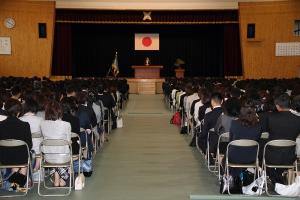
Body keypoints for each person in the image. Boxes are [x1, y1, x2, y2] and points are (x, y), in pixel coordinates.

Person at [266, 93, 300, 184]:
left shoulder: (270, 118)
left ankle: (274, 176)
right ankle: (278, 176)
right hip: (289, 156)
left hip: (271, 156)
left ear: (277, 106)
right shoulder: (298, 119)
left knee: (259, 147)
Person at [225, 99, 262, 177]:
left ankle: (233, 177)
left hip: (234, 157)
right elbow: (257, 140)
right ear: (254, 110)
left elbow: (231, 142)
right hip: (251, 157)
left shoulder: (234, 123)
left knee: (224, 159)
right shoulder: (259, 126)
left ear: (241, 110)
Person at [40, 100, 71, 187]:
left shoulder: (42, 124)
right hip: (63, 157)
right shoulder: (66, 124)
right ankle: (62, 178)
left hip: (48, 157)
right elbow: (68, 142)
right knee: (62, 153)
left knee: (54, 153)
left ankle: (56, 179)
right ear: (60, 111)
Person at [0, 98, 32, 177]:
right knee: (25, 160)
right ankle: (17, 184)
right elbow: (29, 145)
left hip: (3, 158)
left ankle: (13, 183)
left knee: (20, 159)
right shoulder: (25, 125)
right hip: (21, 158)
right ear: (19, 112)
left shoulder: (0, 125)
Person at [19, 98, 44, 170]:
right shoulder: (40, 120)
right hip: (38, 149)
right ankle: (36, 169)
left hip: (24, 149)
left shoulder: (20, 119)